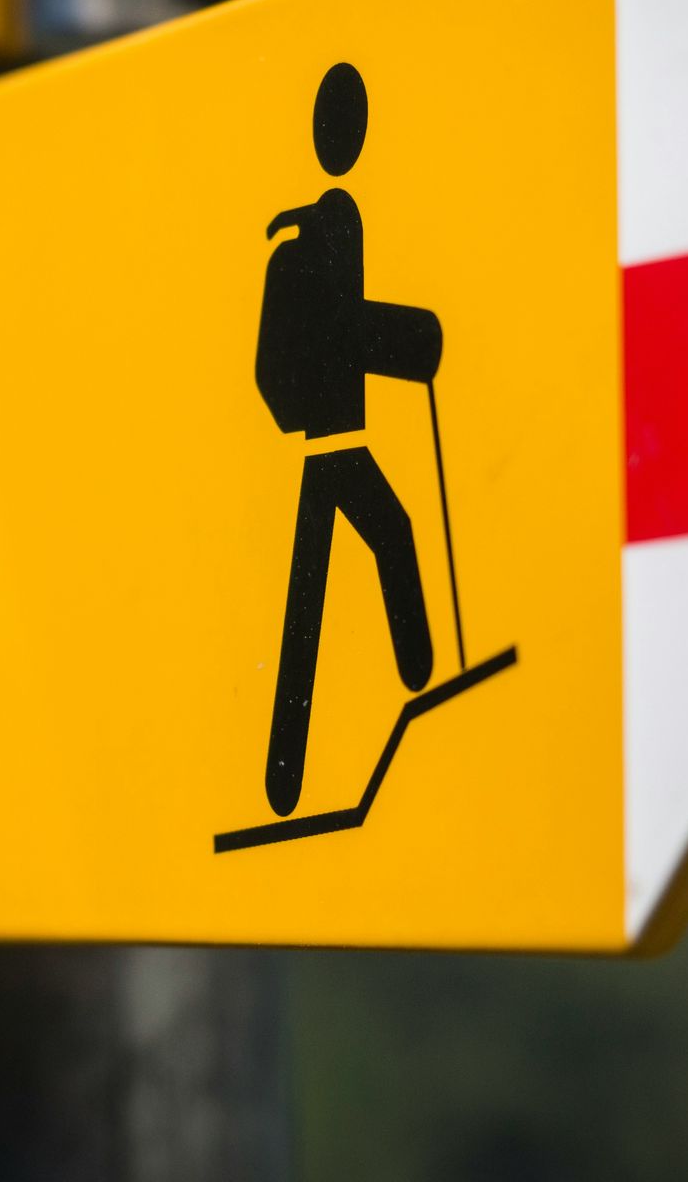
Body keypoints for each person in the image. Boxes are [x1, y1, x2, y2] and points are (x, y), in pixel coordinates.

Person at [254, 62, 442, 817]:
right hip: (321, 446)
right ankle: (284, 775)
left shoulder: (335, 227)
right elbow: (279, 359)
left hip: (346, 436)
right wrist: (392, 343)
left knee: (374, 548)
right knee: (311, 598)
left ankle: (420, 677)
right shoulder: (298, 248)